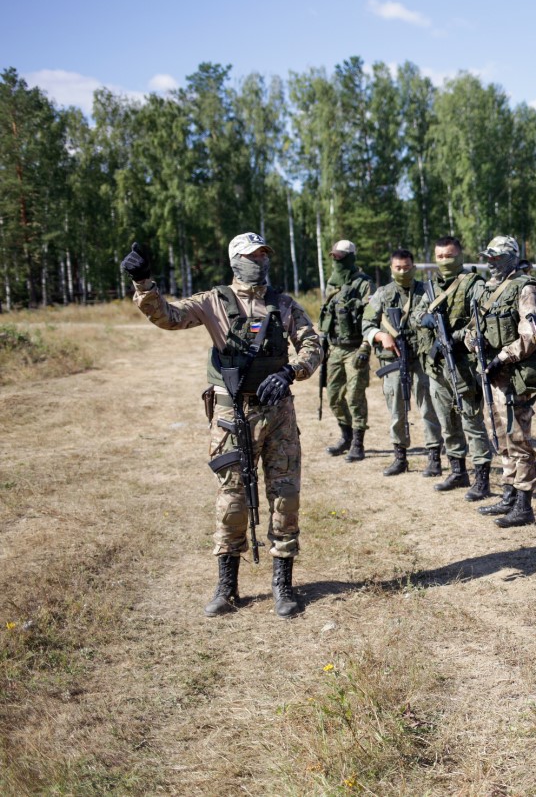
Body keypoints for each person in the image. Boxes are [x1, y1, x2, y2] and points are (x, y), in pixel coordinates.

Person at [121, 234, 322, 618]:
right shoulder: (214, 300)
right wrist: (144, 283)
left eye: (265, 254)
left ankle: (283, 586)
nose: (261, 261)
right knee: (232, 500)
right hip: (232, 416)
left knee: (285, 497)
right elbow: (168, 316)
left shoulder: (283, 303)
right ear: (235, 259)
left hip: (278, 414)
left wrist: (291, 370)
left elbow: (312, 345)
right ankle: (227, 587)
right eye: (253, 255)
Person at [467, 236, 536, 527]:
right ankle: (509, 494)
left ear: (513, 258)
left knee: (518, 440)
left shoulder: (527, 289)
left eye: (497, 258)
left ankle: (524, 505)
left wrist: (501, 357)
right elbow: (472, 328)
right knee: (500, 438)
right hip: (494, 377)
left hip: (515, 376)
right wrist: (472, 341)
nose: (491, 263)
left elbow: (531, 335)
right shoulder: (488, 291)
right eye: (488, 258)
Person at [420, 236, 493, 500]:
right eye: (439, 257)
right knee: (446, 420)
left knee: (471, 420)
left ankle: (482, 477)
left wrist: (456, 337)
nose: (444, 261)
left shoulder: (474, 284)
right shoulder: (431, 287)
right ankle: (457, 470)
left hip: (464, 365)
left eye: (449, 256)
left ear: (460, 256)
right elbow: (419, 314)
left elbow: (481, 320)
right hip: (437, 367)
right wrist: (425, 318)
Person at [361, 248, 443, 476]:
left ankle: (434, 456)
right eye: (398, 268)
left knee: (429, 408)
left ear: (414, 267)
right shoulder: (382, 294)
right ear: (391, 269)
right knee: (396, 410)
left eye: (407, 268)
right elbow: (366, 324)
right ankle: (400, 457)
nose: (403, 272)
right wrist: (380, 335)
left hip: (423, 359)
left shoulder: (426, 291)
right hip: (395, 360)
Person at [318, 239, 374, 462]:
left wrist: (365, 347)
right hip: (334, 348)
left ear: (350, 257)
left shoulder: (364, 284)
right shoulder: (332, 285)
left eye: (341, 256)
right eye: (334, 256)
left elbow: (372, 318)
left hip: (355, 349)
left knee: (354, 396)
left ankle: (358, 443)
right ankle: (346, 435)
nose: (336, 260)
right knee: (333, 396)